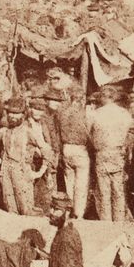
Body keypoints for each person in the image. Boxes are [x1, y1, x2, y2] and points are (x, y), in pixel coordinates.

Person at [88, 87, 134, 221]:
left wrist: (96, 144)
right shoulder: (124, 113)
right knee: (118, 190)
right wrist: (125, 145)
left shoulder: (95, 114)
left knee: (104, 192)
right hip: (118, 153)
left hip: (102, 153)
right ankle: (119, 221)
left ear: (103, 98)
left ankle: (106, 222)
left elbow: (88, 134)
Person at [0, 97, 45, 216]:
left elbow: (47, 151)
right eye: (10, 113)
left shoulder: (28, 132)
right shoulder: (3, 131)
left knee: (26, 209)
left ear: (23, 114)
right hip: (5, 171)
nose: (13, 116)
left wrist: (39, 172)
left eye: (17, 113)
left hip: (22, 171)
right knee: (10, 207)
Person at [58, 86, 91, 219]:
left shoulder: (63, 113)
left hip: (66, 148)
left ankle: (69, 210)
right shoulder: (84, 113)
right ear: (82, 99)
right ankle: (79, 213)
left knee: (69, 181)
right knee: (81, 184)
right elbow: (88, 133)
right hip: (79, 149)